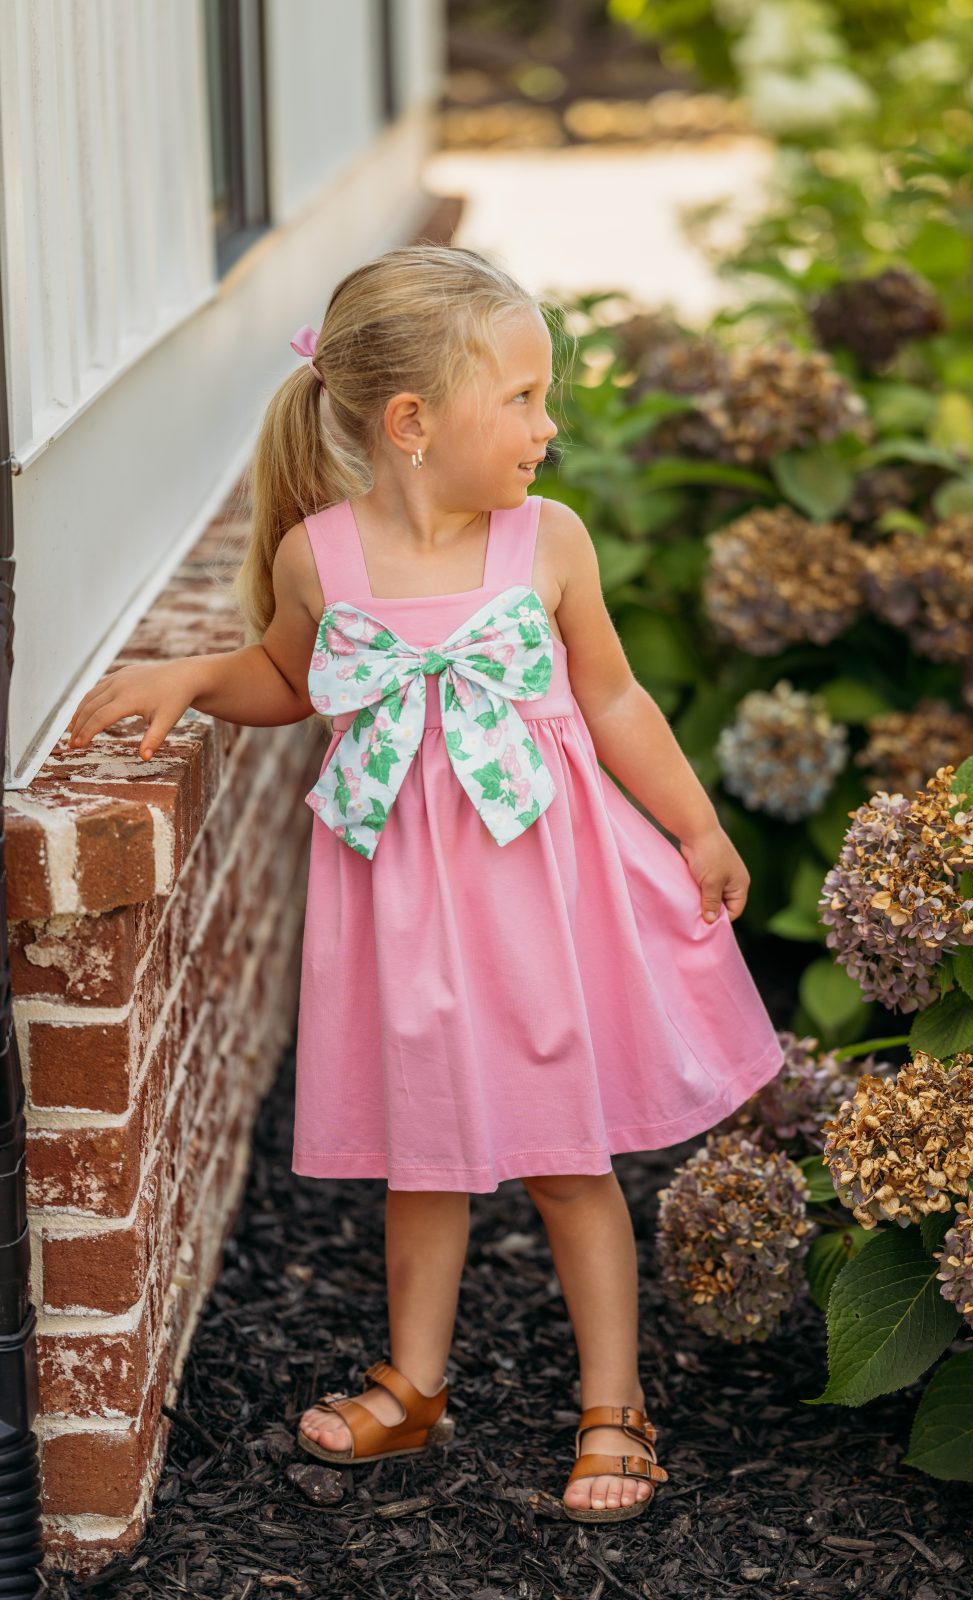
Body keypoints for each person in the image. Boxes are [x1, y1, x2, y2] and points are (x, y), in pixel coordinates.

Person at [65, 243, 785, 1525]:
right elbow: (287, 680)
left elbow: (613, 697)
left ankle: (613, 1404)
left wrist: (695, 825)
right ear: (411, 423)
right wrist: (196, 678)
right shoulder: (321, 560)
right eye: (521, 398)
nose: (547, 425)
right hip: (405, 911)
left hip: (540, 904)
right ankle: (413, 1382)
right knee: (425, 1151)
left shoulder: (545, 543)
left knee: (565, 1157)